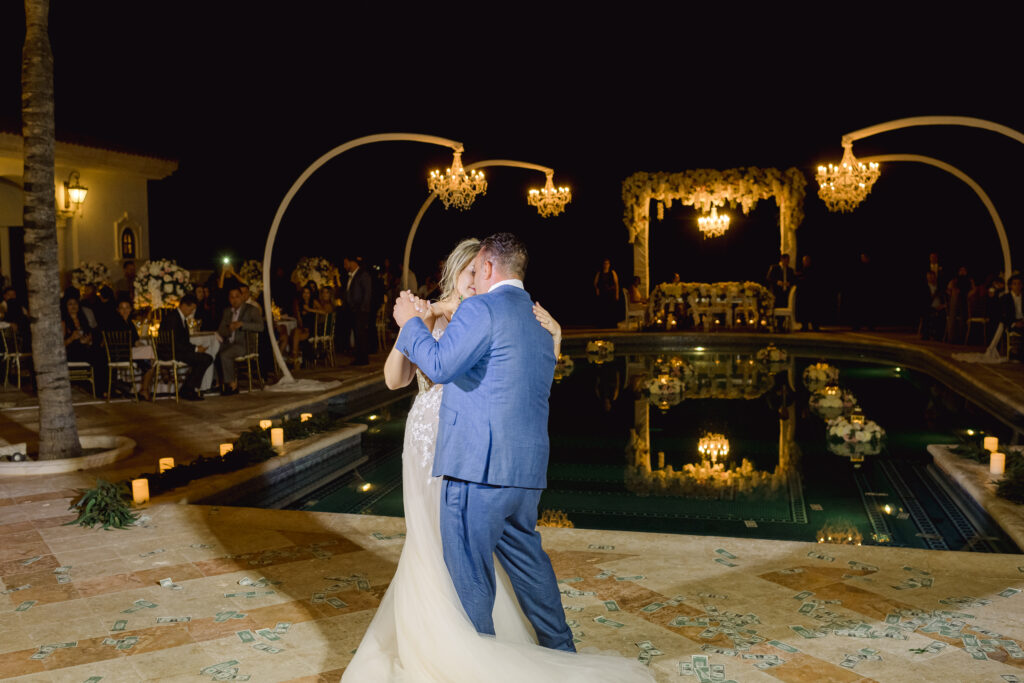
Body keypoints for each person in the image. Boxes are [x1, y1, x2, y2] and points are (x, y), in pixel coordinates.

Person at [344, 236, 651, 682]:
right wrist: (422, 321)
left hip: (472, 464)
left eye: (477, 270)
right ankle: (562, 650)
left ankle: (481, 668)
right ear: (456, 273)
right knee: (526, 564)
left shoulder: (481, 312)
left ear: (487, 268)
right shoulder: (530, 318)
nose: (473, 279)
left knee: (470, 577)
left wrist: (409, 322)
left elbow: (443, 366)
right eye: (465, 272)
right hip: (515, 469)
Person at [161, 293, 213, 401]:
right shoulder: (173, 318)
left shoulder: (179, 317)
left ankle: (187, 388)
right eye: (191, 309)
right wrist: (195, 349)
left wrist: (196, 348)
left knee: (204, 358)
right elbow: (174, 342)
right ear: (184, 305)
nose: (192, 312)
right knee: (205, 359)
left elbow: (183, 341)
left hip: (177, 350)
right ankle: (188, 389)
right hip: (170, 352)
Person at [216, 286, 265, 396]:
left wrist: (242, 324)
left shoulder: (251, 310)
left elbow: (260, 327)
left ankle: (232, 385)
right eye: (232, 297)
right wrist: (229, 329)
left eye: (237, 297)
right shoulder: (227, 311)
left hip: (244, 344)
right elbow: (221, 330)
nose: (234, 300)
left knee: (225, 354)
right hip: (229, 343)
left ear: (242, 297)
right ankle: (216, 383)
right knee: (212, 351)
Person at [106, 297, 157, 400]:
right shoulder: (114, 322)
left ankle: (144, 389)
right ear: (118, 310)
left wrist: (142, 346)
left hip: (130, 352)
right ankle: (144, 390)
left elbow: (135, 341)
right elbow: (117, 342)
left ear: (130, 309)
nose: (125, 310)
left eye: (127, 308)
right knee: (149, 358)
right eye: (122, 308)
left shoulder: (130, 323)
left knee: (150, 355)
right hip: (119, 353)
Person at [61, 296, 109, 397]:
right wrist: (72, 338)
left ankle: (105, 388)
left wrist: (88, 341)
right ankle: (100, 390)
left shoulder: (83, 320)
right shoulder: (64, 322)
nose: (73, 306)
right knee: (97, 355)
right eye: (70, 304)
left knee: (101, 354)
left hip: (85, 349)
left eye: (75, 304)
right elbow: (61, 344)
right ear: (66, 307)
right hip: (72, 351)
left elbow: (91, 334)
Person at [343, 255, 373, 365]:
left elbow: (367, 293)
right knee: (356, 334)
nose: (344, 266)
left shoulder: (363, 274)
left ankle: (363, 358)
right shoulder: (351, 276)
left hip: (360, 310)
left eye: (346, 263)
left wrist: (363, 309)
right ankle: (359, 357)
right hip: (353, 310)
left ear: (352, 263)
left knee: (361, 334)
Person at [796, 254, 821, 331]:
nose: (806, 262)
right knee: (804, 310)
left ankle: (815, 326)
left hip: (812, 293)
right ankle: (804, 325)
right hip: (803, 293)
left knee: (813, 310)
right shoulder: (801, 270)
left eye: (807, 260)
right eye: (804, 261)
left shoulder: (814, 270)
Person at [1001, 274, 1024, 360]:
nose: (1017, 286)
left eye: (1019, 284)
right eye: (1014, 284)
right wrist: (1014, 323)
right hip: (1012, 323)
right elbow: (1002, 315)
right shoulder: (1005, 298)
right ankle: (1017, 354)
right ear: (1010, 286)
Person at [920, 270, 947, 341]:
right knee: (926, 313)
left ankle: (939, 336)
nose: (931, 279)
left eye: (933, 277)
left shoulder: (940, 287)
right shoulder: (924, 287)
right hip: (929, 307)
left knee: (943, 314)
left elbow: (944, 298)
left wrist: (942, 305)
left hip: (940, 306)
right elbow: (924, 301)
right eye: (929, 277)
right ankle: (926, 334)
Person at [593, 258, 619, 327]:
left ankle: (611, 324)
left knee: (611, 309)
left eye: (607, 263)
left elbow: (616, 284)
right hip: (603, 293)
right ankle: (602, 324)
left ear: (609, 265)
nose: (606, 265)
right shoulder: (599, 273)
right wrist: (597, 290)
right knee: (603, 309)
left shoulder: (612, 272)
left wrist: (617, 294)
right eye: (605, 263)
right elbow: (595, 283)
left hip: (611, 293)